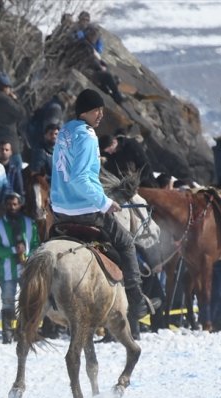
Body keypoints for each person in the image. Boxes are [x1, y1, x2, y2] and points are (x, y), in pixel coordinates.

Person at [51, 88, 148, 330]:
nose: (101, 115)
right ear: (85, 111)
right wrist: (105, 202)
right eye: (97, 110)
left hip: (59, 208)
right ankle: (137, 302)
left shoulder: (65, 132)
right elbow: (80, 178)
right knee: (125, 242)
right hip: (83, 208)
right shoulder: (88, 136)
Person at [0, 192, 39, 343]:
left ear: (20, 205)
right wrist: (13, 250)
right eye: (9, 204)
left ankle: (26, 332)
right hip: (7, 270)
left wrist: (29, 255)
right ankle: (7, 333)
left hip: (27, 269)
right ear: (5, 205)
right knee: (7, 300)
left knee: (27, 300)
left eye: (15, 204)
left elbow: (37, 245)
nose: (12, 207)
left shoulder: (30, 223)